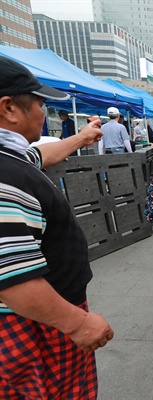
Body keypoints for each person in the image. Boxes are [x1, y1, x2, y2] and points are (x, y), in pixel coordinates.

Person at [0, 55, 114, 398]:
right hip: (31, 320)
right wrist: (77, 324)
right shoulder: (6, 177)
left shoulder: (14, 161)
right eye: (40, 103)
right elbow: (12, 279)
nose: (43, 112)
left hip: (44, 313)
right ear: (9, 108)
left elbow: (42, 156)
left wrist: (81, 138)